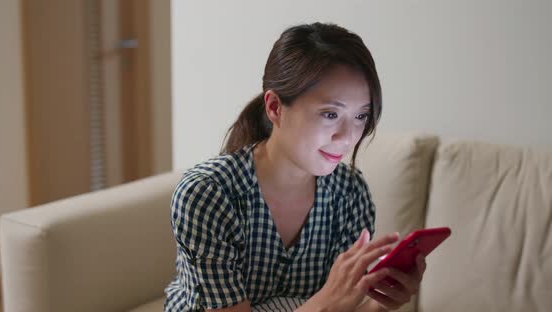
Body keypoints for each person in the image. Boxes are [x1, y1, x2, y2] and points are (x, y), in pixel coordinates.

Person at [164, 22, 426, 312]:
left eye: (361, 116)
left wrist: (381, 301)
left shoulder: (350, 192)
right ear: (275, 107)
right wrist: (328, 300)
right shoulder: (207, 194)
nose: (348, 136)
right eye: (330, 114)